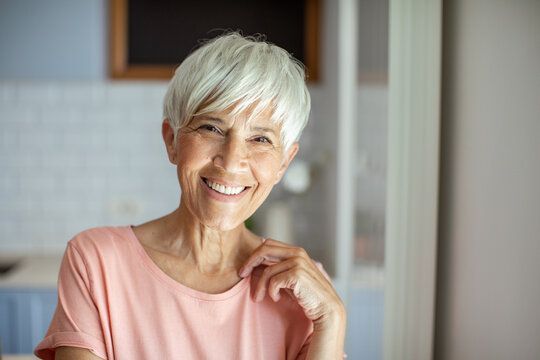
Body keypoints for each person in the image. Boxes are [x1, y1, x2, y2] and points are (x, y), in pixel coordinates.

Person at [34, 32, 346, 360]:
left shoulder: (304, 292)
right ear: (172, 140)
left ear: (284, 162)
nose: (231, 160)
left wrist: (333, 319)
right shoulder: (96, 262)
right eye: (211, 128)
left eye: (260, 139)